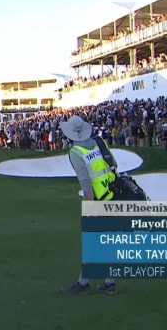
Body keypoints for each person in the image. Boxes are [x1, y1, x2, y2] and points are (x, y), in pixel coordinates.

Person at [58, 115, 118, 295]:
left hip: (98, 200)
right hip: (114, 196)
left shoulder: (76, 152)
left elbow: (85, 183)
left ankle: (83, 282)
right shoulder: (99, 142)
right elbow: (113, 164)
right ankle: (110, 281)